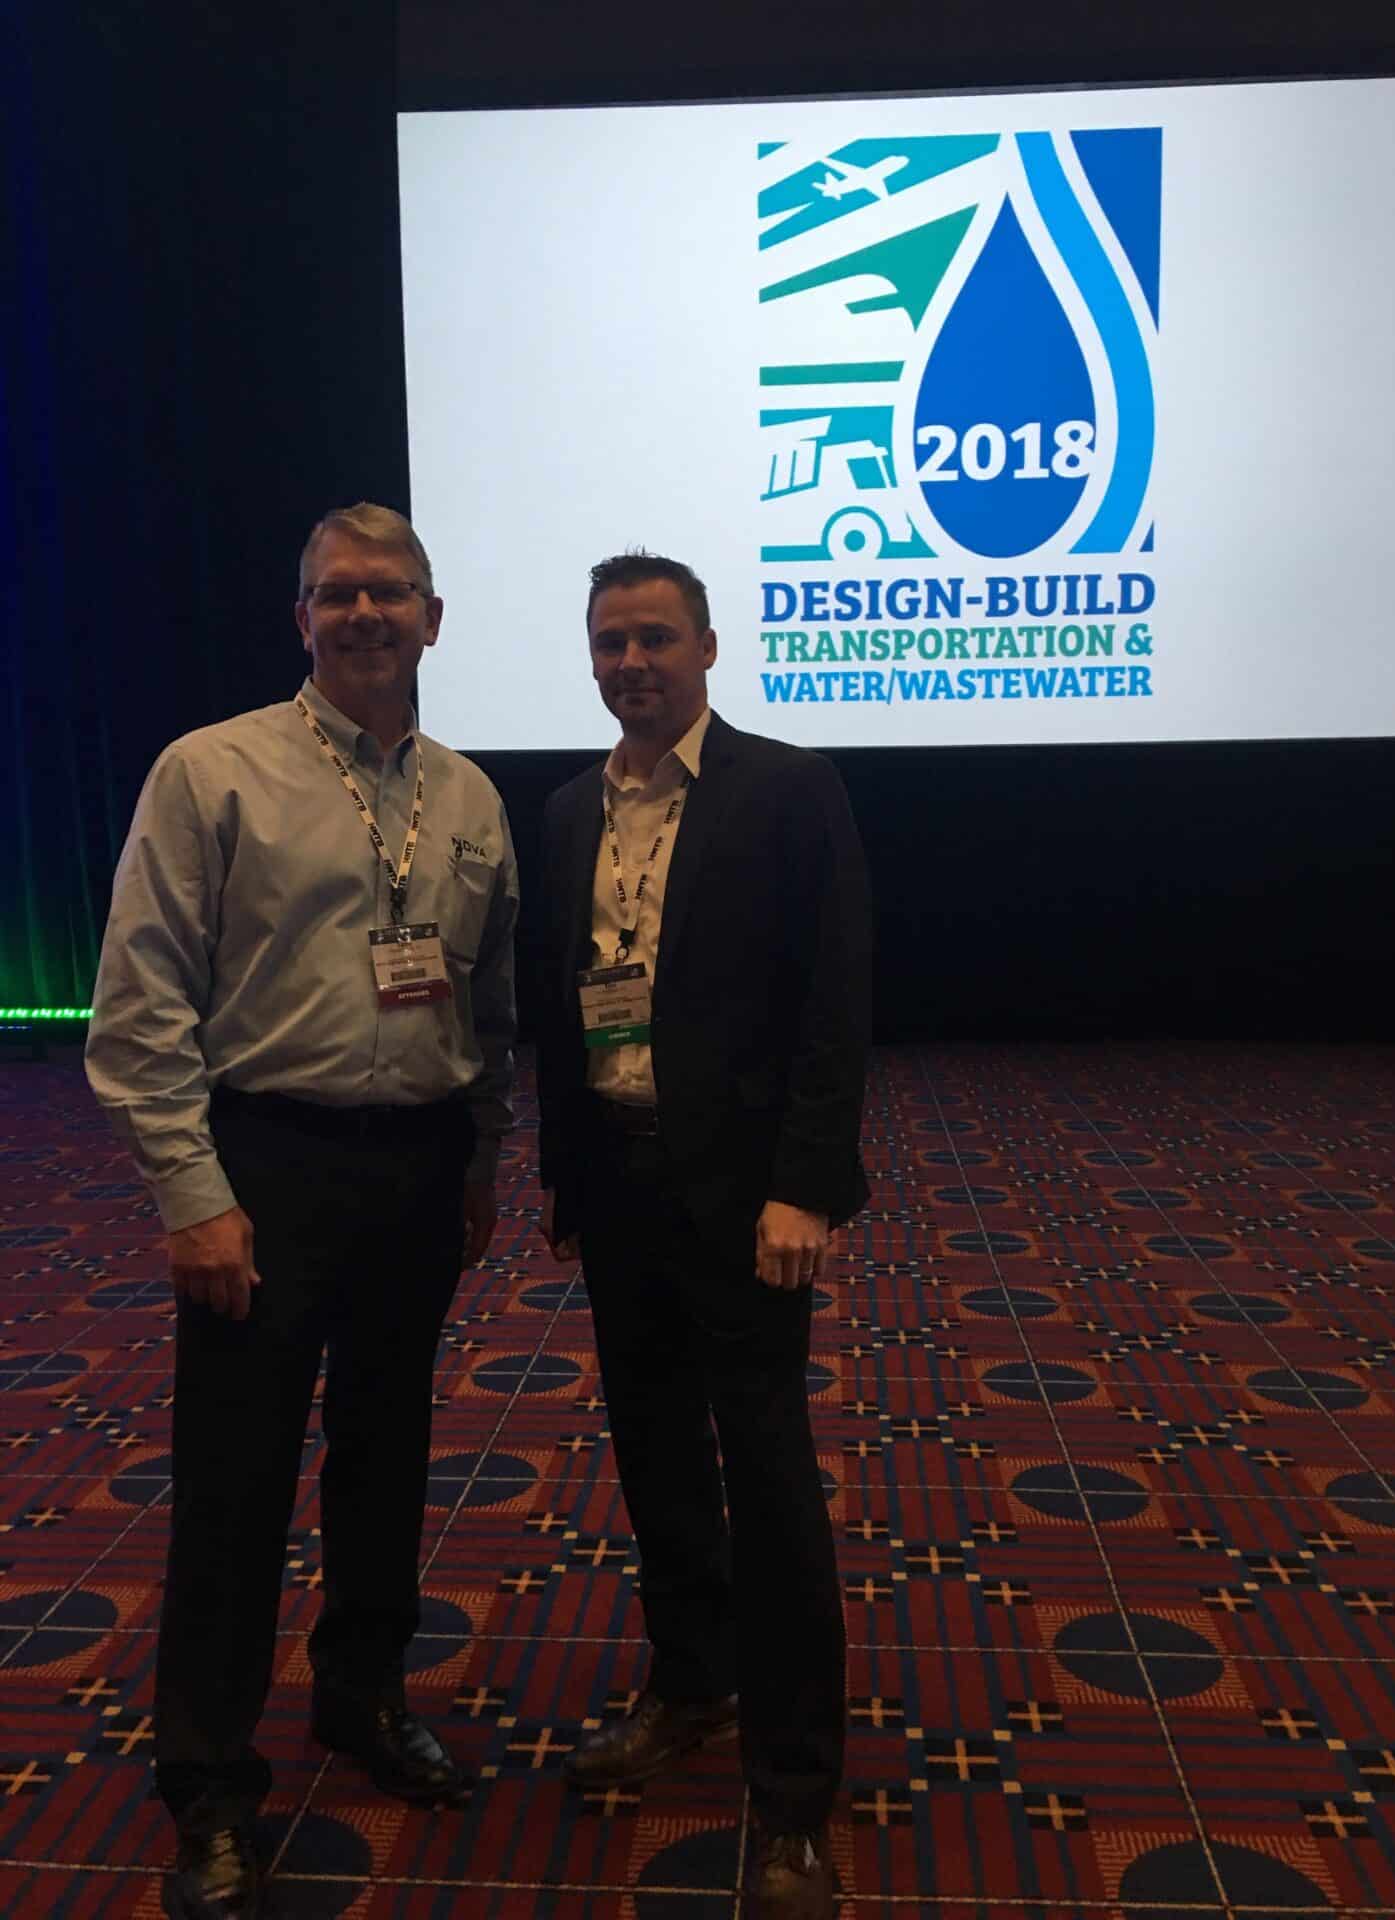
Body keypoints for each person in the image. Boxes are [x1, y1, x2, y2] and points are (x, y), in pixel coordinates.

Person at [85, 503, 518, 1920]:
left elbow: (486, 1001)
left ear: (434, 620)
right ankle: (208, 1784)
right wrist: (193, 1199)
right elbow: (139, 1010)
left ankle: (361, 1699)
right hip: (261, 1167)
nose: (365, 616)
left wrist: (480, 1157)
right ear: (302, 619)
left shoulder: (466, 796)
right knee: (235, 1486)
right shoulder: (208, 772)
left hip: (414, 1170)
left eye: (391, 593)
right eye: (337, 594)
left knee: (389, 1460)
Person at [535, 552, 869, 1920]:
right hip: (618, 1190)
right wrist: (561, 1177)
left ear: (711, 647)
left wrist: (809, 1188)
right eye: (610, 641)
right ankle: (690, 1687)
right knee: (658, 1459)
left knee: (771, 1483)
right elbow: (555, 1009)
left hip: (745, 1206)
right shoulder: (564, 812)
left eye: (655, 637)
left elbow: (832, 1004)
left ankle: (794, 1791)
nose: (631, 662)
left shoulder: (788, 790)